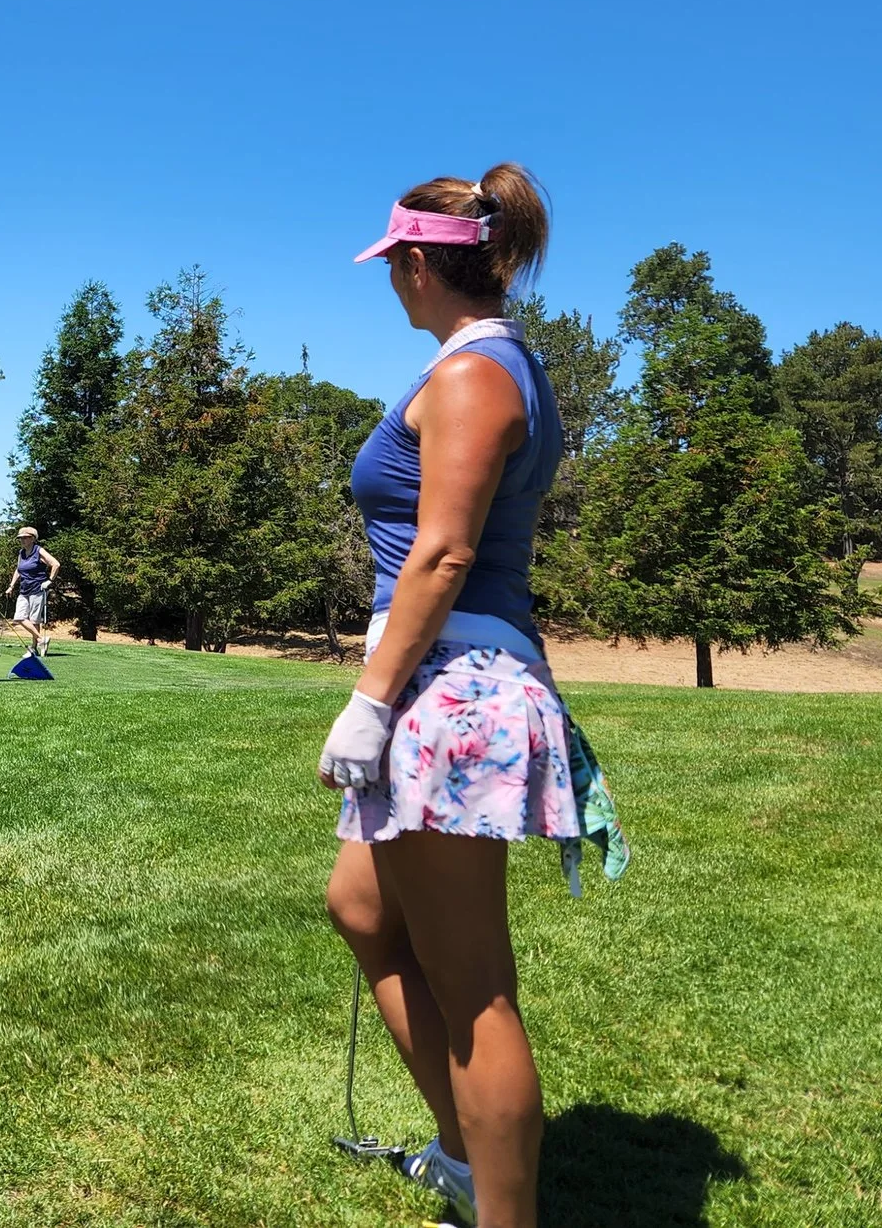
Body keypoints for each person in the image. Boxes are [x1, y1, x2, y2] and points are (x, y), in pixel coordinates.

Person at [319, 164, 570, 1228]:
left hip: (451, 686)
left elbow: (443, 552)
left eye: (392, 265)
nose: (390, 282)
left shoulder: (473, 373)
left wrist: (372, 701)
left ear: (418, 263)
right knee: (363, 907)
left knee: (474, 987)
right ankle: (467, 1155)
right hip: (451, 674)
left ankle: (500, 1205)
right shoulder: (491, 364)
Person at [10, 526, 58, 660]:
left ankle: (34, 648)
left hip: (37, 589)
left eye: (25, 538)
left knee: (34, 620)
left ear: (32, 539)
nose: (22, 540)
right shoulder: (22, 553)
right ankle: (41, 639)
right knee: (19, 617)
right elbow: (18, 570)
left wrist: (49, 581)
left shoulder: (39, 551)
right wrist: (11, 585)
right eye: (20, 538)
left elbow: (55, 564)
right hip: (24, 590)